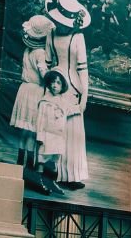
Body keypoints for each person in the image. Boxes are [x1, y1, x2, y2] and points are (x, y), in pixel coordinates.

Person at [45, 0, 91, 189]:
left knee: (74, 134)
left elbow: (83, 69)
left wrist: (84, 98)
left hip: (73, 91)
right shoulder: (51, 33)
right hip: (56, 88)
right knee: (56, 131)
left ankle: (72, 175)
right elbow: (47, 64)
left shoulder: (78, 37)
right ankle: (53, 171)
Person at [10, 14, 54, 167]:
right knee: (32, 131)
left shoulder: (27, 50)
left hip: (25, 90)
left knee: (24, 130)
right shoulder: (40, 53)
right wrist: (52, 77)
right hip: (35, 92)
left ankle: (19, 161)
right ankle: (29, 165)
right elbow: (43, 72)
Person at [33, 69, 75, 197]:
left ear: (62, 86)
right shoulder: (45, 102)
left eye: (58, 83)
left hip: (58, 136)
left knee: (53, 160)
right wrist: (39, 136)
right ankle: (39, 180)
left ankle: (50, 181)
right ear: (49, 84)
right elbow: (40, 119)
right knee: (42, 158)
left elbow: (67, 116)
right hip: (46, 135)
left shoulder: (63, 103)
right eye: (53, 82)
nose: (55, 85)